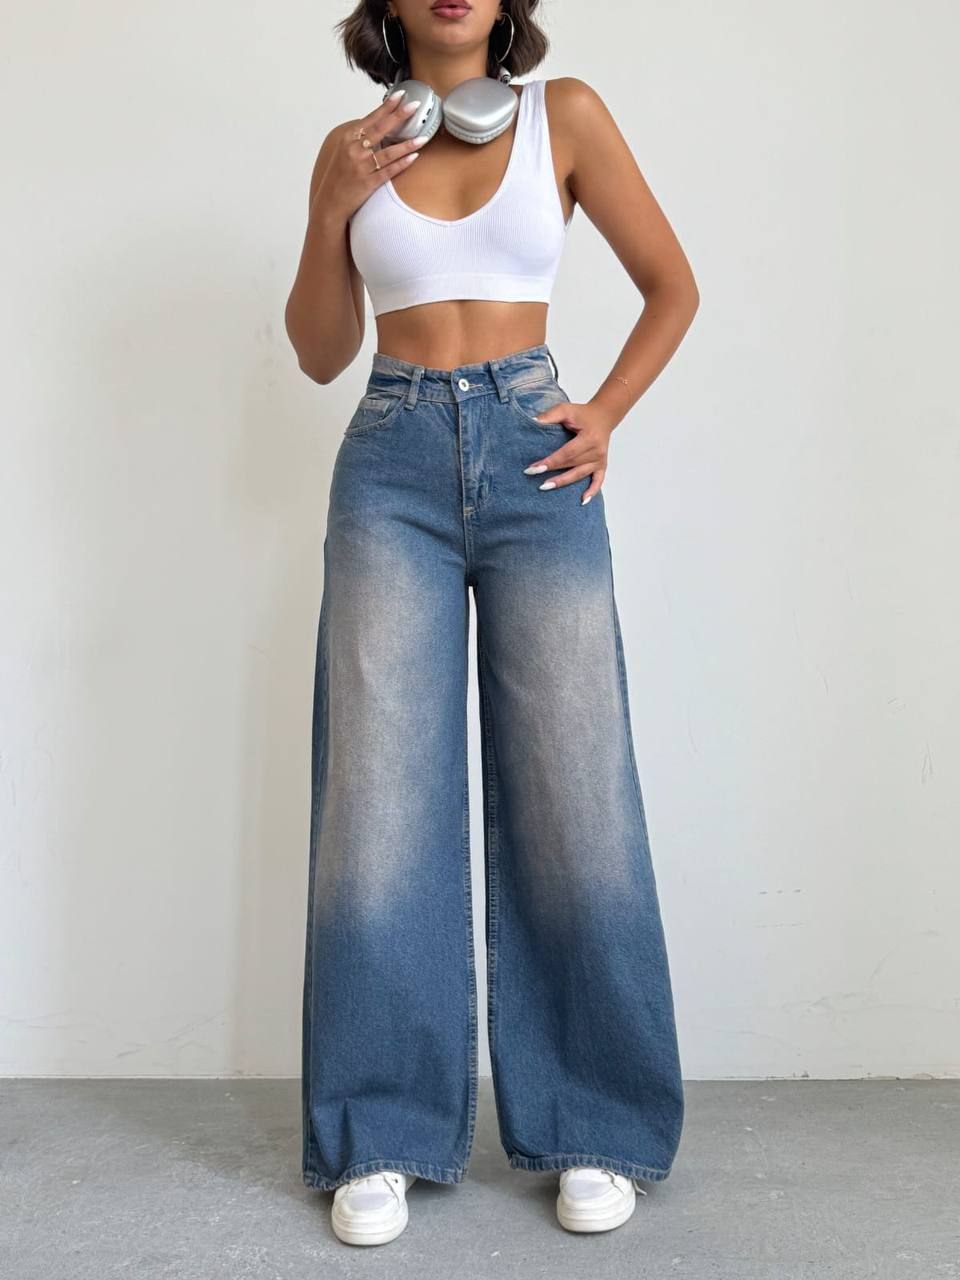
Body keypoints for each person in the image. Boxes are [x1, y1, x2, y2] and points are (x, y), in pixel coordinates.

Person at [284, 0, 699, 1248]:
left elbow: (673, 286)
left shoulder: (565, 116)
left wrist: (603, 411)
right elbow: (317, 352)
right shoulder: (353, 147)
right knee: (377, 801)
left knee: (576, 786)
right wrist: (330, 204)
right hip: (389, 459)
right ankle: (380, 1128)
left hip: (536, 455)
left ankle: (595, 1119)